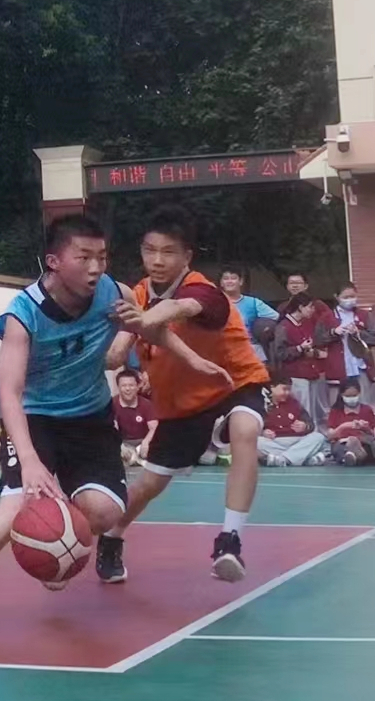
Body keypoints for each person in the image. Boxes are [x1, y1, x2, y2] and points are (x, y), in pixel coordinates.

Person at [0, 215, 227, 637]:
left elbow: (147, 327)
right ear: (54, 261)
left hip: (89, 415)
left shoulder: (113, 293)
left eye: (102, 257)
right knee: (17, 505)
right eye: (84, 257)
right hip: (32, 415)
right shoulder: (24, 314)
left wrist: (195, 361)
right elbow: (11, 393)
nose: (95, 268)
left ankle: (53, 544)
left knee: (105, 511)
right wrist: (31, 462)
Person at [104, 206, 270, 583]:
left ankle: (229, 540)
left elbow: (180, 306)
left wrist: (143, 319)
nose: (157, 260)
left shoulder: (205, 292)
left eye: (168, 252)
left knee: (245, 430)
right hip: (181, 407)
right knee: (149, 485)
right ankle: (112, 536)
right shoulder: (137, 294)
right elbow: (116, 351)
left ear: (187, 257)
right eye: (150, 250)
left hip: (234, 384)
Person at [274, 293, 329, 427]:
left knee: (314, 412)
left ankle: (313, 432)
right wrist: (299, 348)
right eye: (310, 307)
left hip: (311, 373)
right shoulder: (284, 326)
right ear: (300, 307)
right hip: (296, 375)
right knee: (303, 411)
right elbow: (280, 353)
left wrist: (313, 351)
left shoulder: (305, 324)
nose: (312, 310)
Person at [322, 283, 375, 404]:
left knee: (364, 404)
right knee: (338, 406)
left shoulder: (365, 315)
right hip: (338, 369)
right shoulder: (327, 317)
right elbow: (318, 340)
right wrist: (333, 332)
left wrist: (359, 333)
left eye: (352, 296)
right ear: (336, 297)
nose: (350, 300)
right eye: (345, 297)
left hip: (361, 367)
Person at [258, 378, 329, 467]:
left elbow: (310, 424)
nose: (287, 393)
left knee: (319, 437)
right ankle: (303, 457)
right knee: (256, 442)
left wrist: (305, 426)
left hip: (298, 440)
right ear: (272, 387)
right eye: (284, 389)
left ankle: (283, 459)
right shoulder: (261, 404)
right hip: (274, 441)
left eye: (289, 390)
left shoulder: (294, 403)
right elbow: (253, 425)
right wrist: (262, 432)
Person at [220, 268, 279, 364]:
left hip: (250, 348)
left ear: (241, 281)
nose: (229, 281)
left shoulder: (253, 302)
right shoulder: (215, 302)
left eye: (233, 278)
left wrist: (265, 330)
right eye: (226, 278)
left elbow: (277, 317)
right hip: (223, 349)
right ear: (221, 283)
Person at [323, 378, 375, 466]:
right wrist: (343, 427)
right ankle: (354, 456)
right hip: (342, 442)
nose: (351, 398)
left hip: (362, 442)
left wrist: (365, 428)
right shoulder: (335, 411)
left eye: (354, 395)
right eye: (348, 396)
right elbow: (330, 436)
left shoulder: (367, 410)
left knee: (370, 447)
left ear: (359, 393)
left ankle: (352, 455)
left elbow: (374, 434)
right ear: (341, 395)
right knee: (339, 448)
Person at [111, 368, 157, 467]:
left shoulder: (147, 404)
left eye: (131, 385)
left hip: (142, 442)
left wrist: (146, 442)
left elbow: (154, 428)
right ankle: (136, 460)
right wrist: (120, 445)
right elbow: (112, 428)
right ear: (118, 387)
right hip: (124, 442)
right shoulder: (112, 404)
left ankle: (136, 459)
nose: (128, 389)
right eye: (124, 386)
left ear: (137, 387)